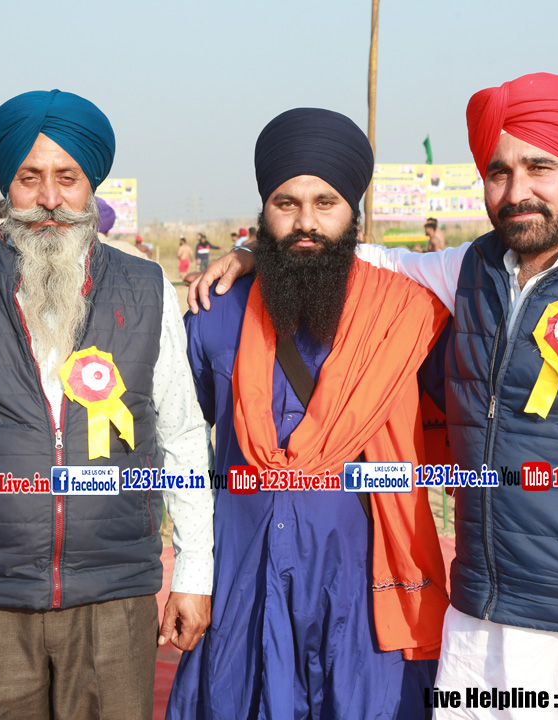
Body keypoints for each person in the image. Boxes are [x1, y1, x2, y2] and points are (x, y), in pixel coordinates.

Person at [192, 73, 558, 719]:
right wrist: (257, 249)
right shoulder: (474, 268)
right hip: (484, 613)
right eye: (498, 172)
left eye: (539, 167)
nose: (517, 190)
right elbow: (358, 255)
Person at [0, 89, 213, 719]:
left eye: (67, 178)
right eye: (30, 178)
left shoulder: (147, 289)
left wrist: (194, 572)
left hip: (115, 592)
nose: (50, 199)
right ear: (7, 187)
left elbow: (183, 435)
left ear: (91, 188)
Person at [169, 107, 449, 720]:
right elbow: (179, 441)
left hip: (362, 578)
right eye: (286, 203)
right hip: (244, 572)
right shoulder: (215, 312)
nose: (305, 222)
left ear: (353, 213)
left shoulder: (404, 314)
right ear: (263, 211)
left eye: (326, 203)